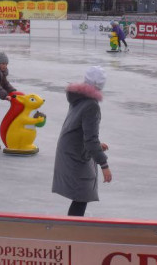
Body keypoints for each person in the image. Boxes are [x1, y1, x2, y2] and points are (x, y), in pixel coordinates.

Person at [52, 65, 112, 217]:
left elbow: (80, 129)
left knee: (81, 195)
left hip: (69, 148)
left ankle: (72, 229)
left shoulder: (79, 97)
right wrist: (104, 164)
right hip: (75, 154)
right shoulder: (91, 105)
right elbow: (90, 139)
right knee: (82, 195)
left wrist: (96, 145)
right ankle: (71, 232)